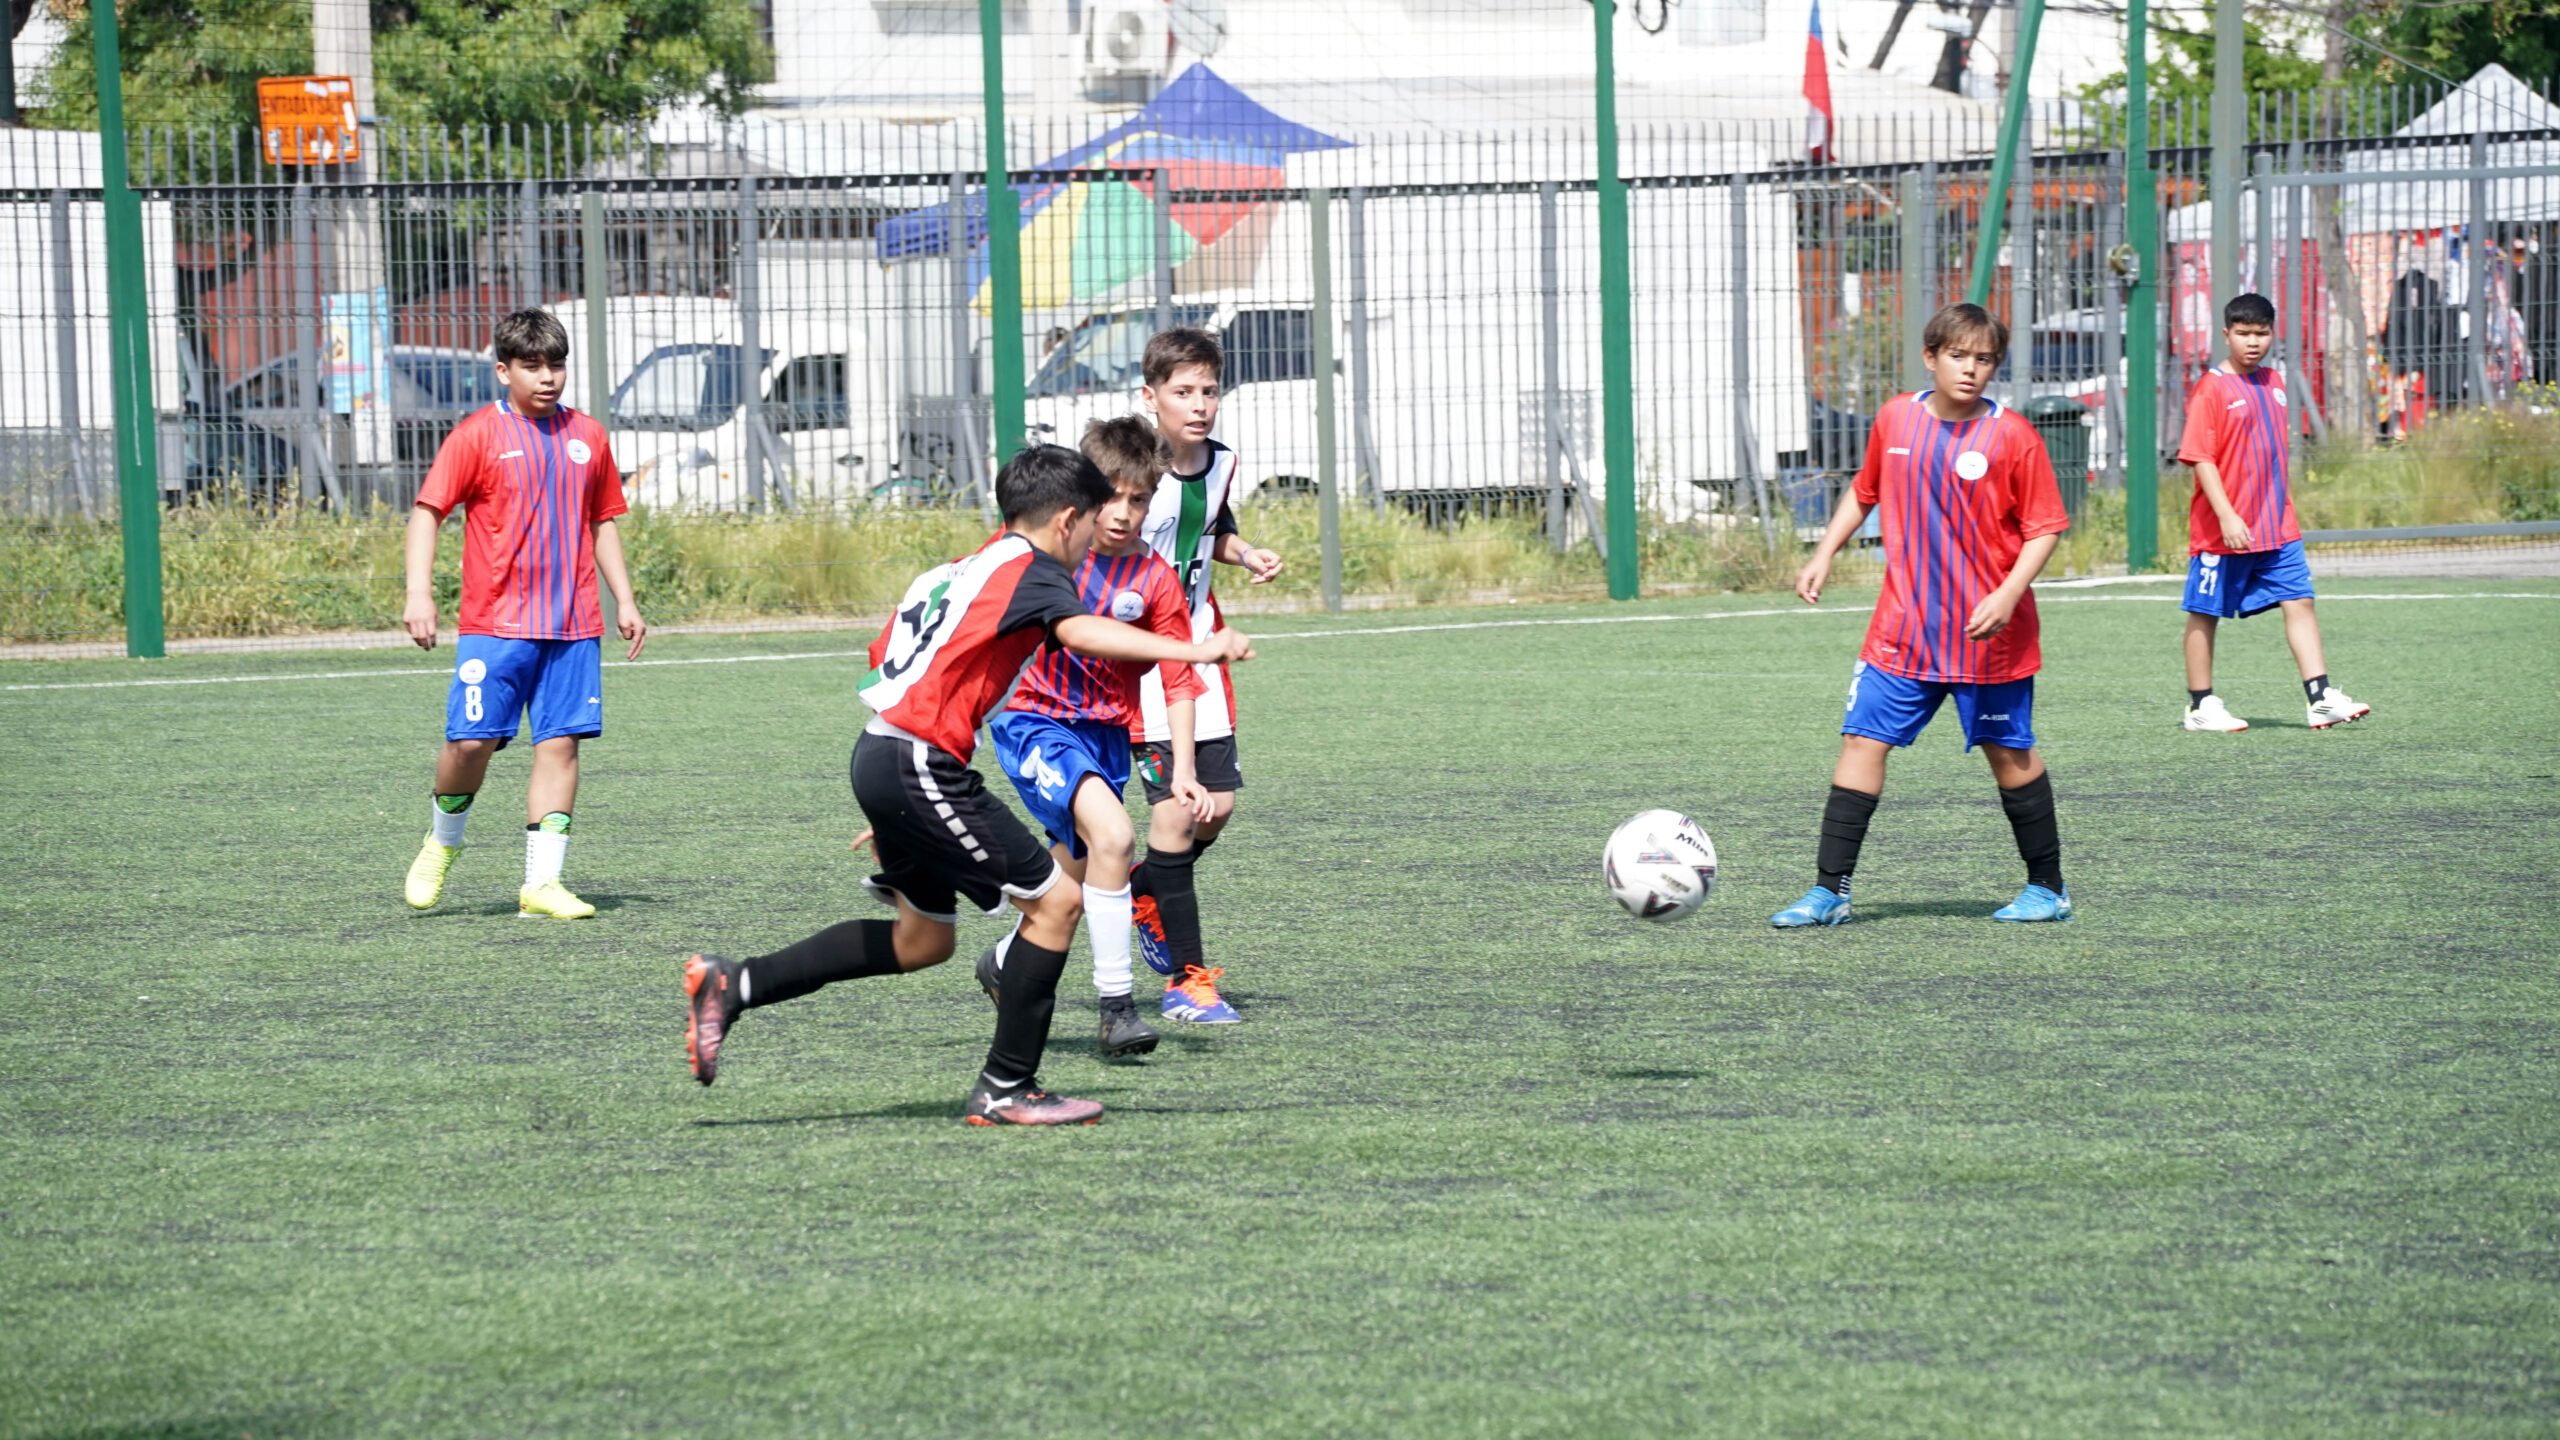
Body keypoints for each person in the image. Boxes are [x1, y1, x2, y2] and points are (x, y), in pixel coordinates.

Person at [680, 444, 1255, 1126]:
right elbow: (1081, 632)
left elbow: (898, 662)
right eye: (1094, 520)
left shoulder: (962, 568)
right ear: (1067, 520)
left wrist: (898, 801)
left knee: (922, 941)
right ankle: (1008, 1087)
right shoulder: (1033, 569)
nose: (1098, 537)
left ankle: (734, 982)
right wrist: (1198, 647)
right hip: (918, 764)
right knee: (1057, 904)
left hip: (890, 755)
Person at [1772, 302, 2076, 929]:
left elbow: (2044, 529)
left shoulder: (2013, 436)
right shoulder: (1896, 419)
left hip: (1987, 637)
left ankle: (2048, 888)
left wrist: (2009, 592)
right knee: (1862, 742)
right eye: (1958, 356)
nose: (1971, 370)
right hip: (1903, 632)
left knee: (2007, 753)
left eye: (1984, 359)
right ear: (1930, 357)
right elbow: (1864, 492)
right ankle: (1830, 891)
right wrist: (1824, 553)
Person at [400, 309, 647, 920]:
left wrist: (627, 599)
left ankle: (542, 884)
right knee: (471, 742)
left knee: (560, 746)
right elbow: (428, 512)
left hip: (572, 627)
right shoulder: (477, 435)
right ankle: (443, 841)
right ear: (502, 371)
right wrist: (418, 594)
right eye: (532, 366)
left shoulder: (588, 436)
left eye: (556, 365)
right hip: (495, 625)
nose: (547, 377)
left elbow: (602, 521)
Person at [979, 418, 1214, 1059]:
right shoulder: (1042, 562)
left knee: (1072, 888)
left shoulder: (1156, 579)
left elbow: (1180, 681)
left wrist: (1185, 770)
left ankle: (1003, 961)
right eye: (1111, 497)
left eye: (1139, 499)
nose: (1124, 513)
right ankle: (1117, 1009)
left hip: (1107, 736)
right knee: (1114, 837)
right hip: (1035, 723)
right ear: (1079, 500)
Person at [1124, 327, 1285, 1024]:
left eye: (1209, 391)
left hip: (1197, 649)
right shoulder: (1124, 471)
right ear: (1149, 396)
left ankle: (1144, 888)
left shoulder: (1219, 463)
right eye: (1183, 392)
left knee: (1217, 808)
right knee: (1176, 814)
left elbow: (1207, 527)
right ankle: (1189, 986)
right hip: (1135, 660)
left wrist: (1244, 552)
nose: (1199, 405)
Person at [2177, 293, 2372, 733]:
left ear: (2272, 334)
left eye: (2261, 333)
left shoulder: (2275, 382)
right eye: (2243, 333)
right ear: (2226, 335)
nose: (2252, 342)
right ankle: (2200, 706)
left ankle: (2320, 698)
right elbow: (2200, 458)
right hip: (2221, 531)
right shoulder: (2211, 388)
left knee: (2300, 600)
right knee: (2204, 612)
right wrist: (2227, 515)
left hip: (2277, 527)